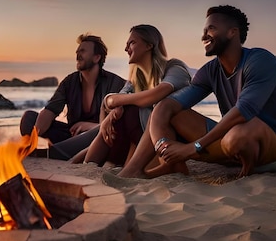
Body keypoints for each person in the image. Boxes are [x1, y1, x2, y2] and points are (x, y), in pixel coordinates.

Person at [118, 5, 276, 179]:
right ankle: (155, 167)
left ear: (233, 32)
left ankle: (247, 174)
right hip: (232, 147)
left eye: (211, 29)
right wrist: (164, 146)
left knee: (238, 134)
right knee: (166, 109)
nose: (204, 36)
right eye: (204, 31)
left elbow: (244, 111)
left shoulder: (260, 61)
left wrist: (194, 147)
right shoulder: (210, 70)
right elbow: (168, 105)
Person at [70, 24, 191, 166]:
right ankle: (89, 165)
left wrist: (121, 103)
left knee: (128, 111)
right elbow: (110, 101)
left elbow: (156, 95)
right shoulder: (136, 79)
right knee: (117, 115)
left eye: (132, 43)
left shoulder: (174, 68)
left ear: (149, 45)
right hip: (138, 137)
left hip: (165, 138)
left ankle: (99, 164)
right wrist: (112, 112)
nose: (126, 48)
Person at [20, 33, 126, 160]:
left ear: (97, 57)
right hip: (72, 135)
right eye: (77, 51)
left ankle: (61, 151)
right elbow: (51, 110)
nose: (78, 55)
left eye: (83, 51)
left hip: (100, 137)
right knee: (29, 118)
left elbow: (120, 122)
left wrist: (90, 126)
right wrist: (34, 135)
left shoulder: (115, 83)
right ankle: (60, 150)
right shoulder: (69, 82)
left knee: (112, 131)